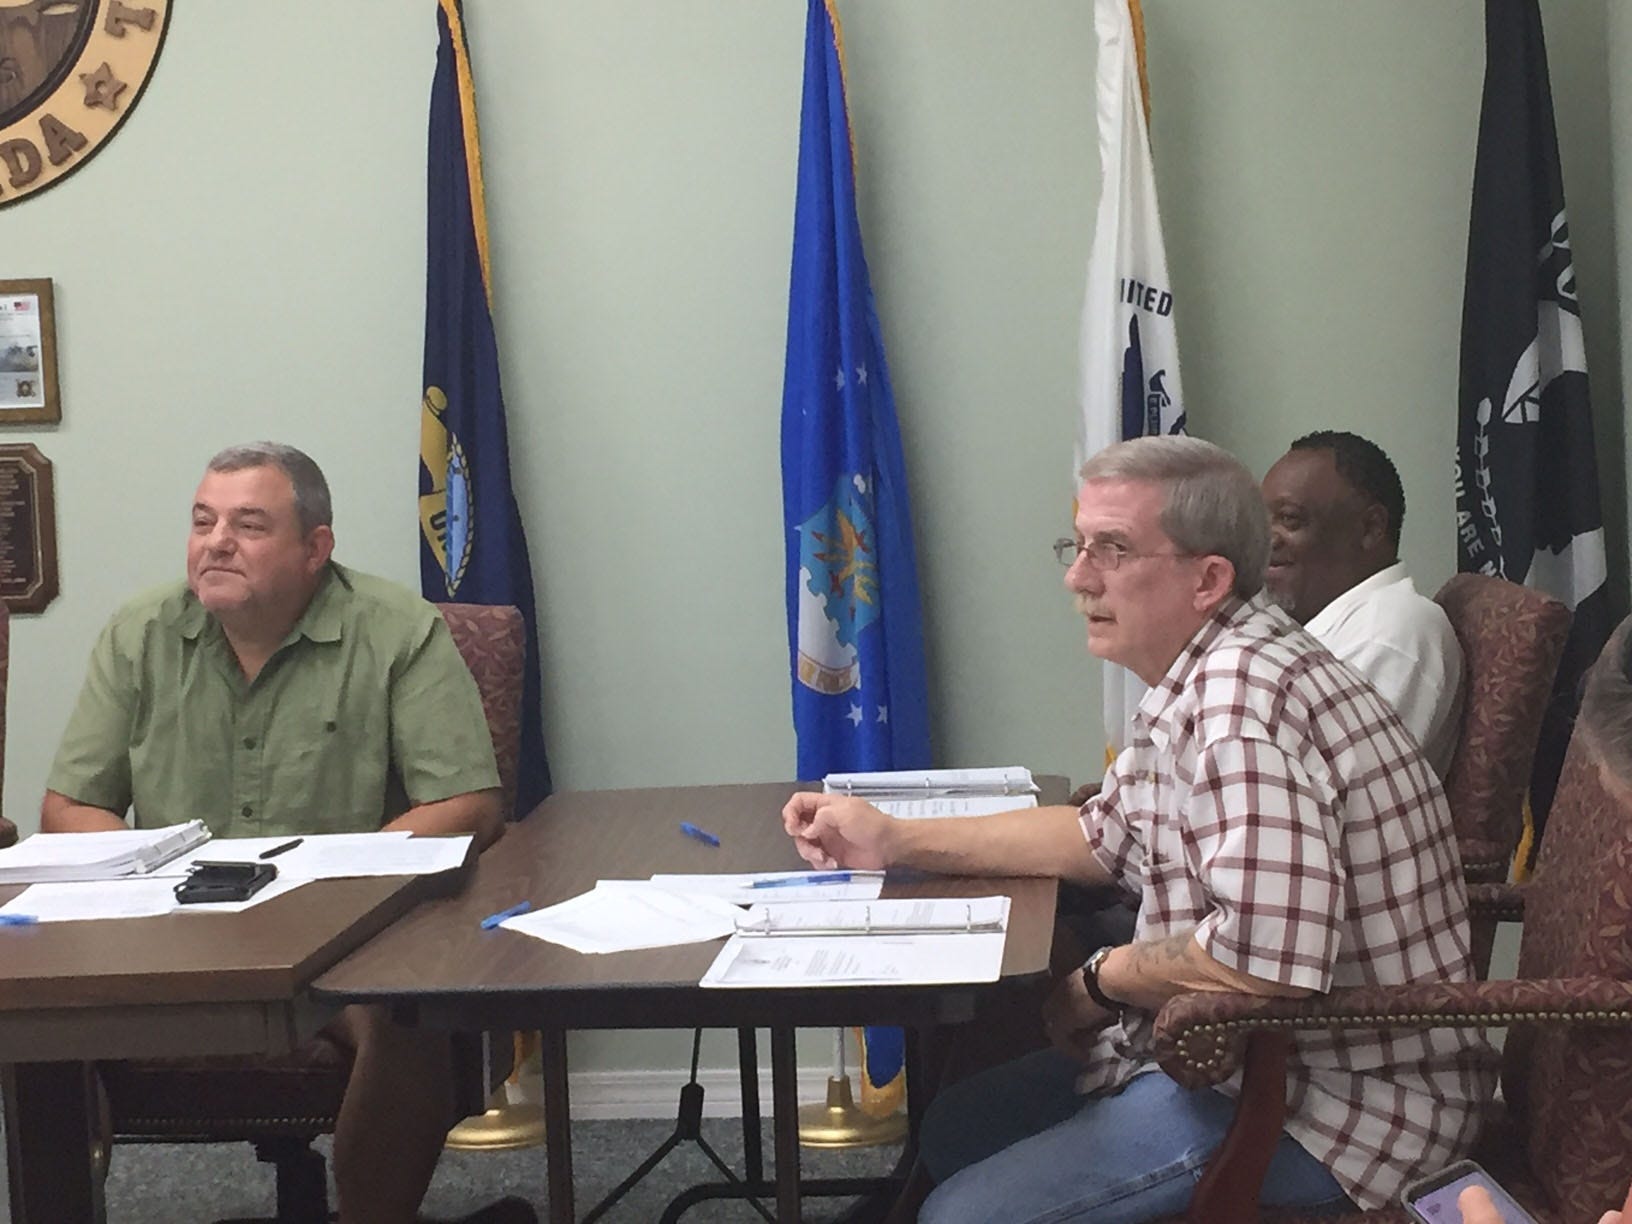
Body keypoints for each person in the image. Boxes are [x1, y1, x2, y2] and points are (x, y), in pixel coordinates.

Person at [783, 436, 1495, 1223]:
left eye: (1113, 550)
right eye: (1079, 545)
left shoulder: (1240, 708)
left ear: (1208, 579)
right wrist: (893, 838)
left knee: (960, 1216)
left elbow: (1262, 962)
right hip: (1239, 1058)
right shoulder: (1208, 667)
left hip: (1336, 1108)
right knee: (958, 1127)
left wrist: (1100, 982)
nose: (1078, 577)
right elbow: (1101, 836)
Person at [42, 442, 531, 1224]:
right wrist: (154, 877)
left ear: (315, 547)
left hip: (344, 943)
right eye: (202, 522)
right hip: (175, 934)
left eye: (248, 525)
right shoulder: (141, 632)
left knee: (406, 1020)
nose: (216, 543)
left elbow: (468, 805)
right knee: (44, 1017)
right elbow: (69, 808)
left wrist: (336, 878)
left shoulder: (395, 630)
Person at [1261, 429, 1464, 778]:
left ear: (1371, 528)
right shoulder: (1313, 624)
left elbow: (1336, 790)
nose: (1265, 539)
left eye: (1290, 519)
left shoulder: (1392, 631)